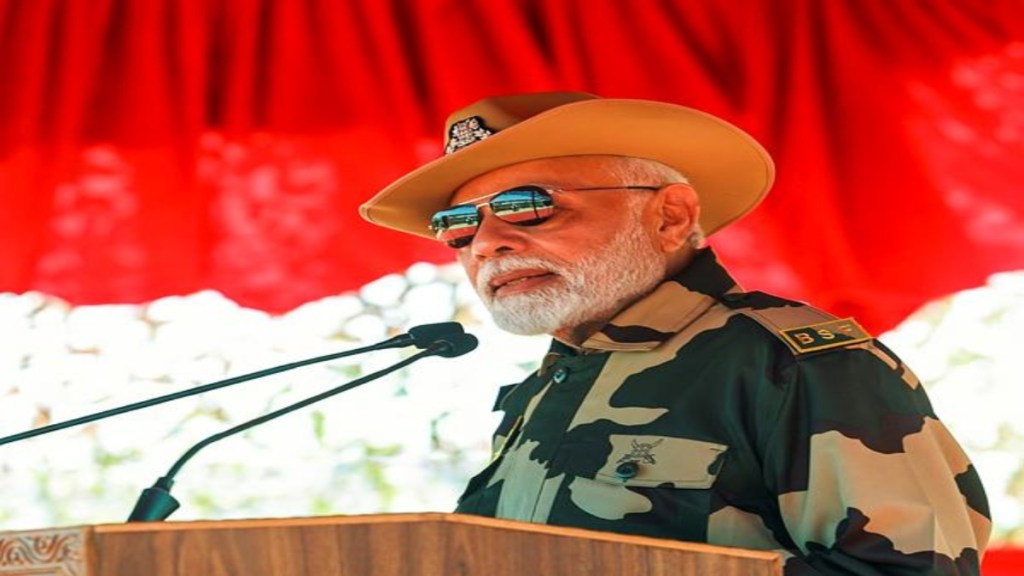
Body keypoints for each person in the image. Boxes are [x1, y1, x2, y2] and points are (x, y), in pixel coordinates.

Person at [359, 92, 991, 575]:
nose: (488, 242)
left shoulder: (792, 364)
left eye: (529, 205)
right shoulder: (551, 384)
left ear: (670, 215)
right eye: (459, 224)